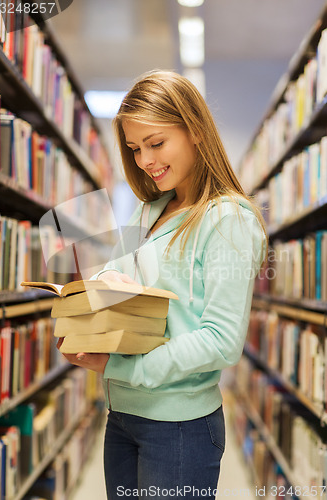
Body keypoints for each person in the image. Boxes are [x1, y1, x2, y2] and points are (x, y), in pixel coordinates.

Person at [58, 70, 268, 499]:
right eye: (135, 149)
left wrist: (123, 368)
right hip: (121, 415)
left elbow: (222, 339)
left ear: (194, 131)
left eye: (156, 143)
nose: (145, 160)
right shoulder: (149, 211)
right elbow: (112, 269)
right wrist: (103, 282)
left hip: (178, 427)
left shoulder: (229, 219)